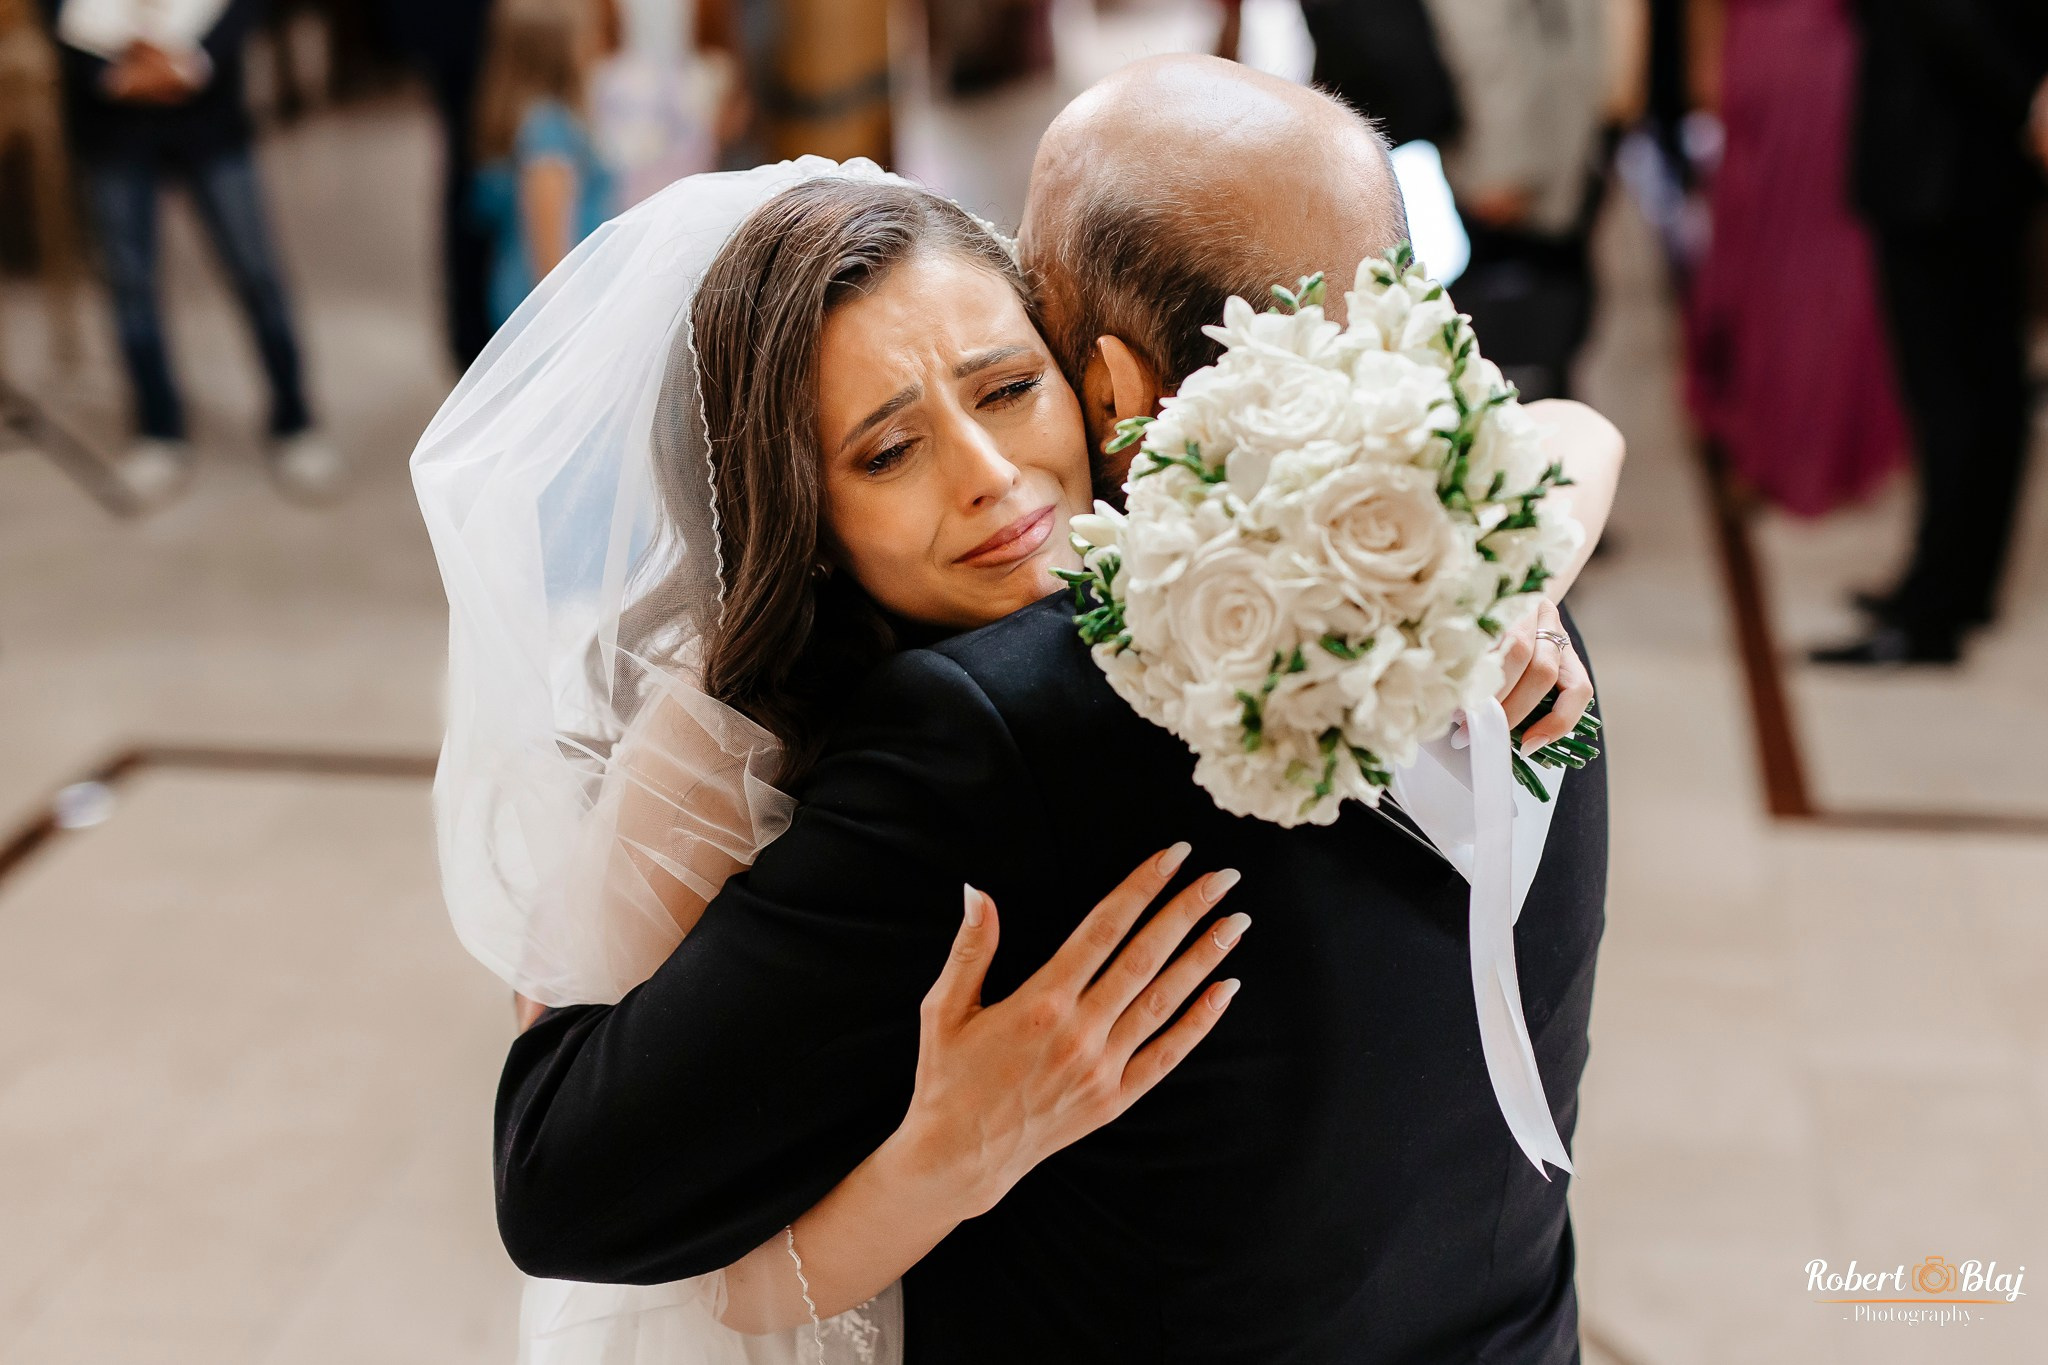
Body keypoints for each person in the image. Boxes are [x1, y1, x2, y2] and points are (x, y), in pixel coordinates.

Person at [422, 61, 1622, 1365]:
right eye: (887, 450)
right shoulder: (1493, 584)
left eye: (1008, 383)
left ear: (1098, 383)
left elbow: (563, 1181)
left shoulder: (981, 738)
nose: (992, 477)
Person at [1816, 0, 2048, 664]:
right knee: (1984, 385)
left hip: (1939, 166)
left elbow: (1949, 17)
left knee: (1954, 396)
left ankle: (1933, 613)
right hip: (1972, 160)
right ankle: (1958, 586)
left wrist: (2031, 97)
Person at [44, 0, 343, 506]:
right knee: (130, 282)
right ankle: (159, 430)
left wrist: (193, 61)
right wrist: (109, 73)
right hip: (112, 121)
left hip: (210, 113)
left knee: (256, 271)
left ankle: (295, 422)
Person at [1684, 0, 1907, 518]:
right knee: (1790, 264)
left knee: (1793, 264)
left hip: (1793, 56)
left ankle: (1801, 441)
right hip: (1794, 56)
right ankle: (1801, 442)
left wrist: (1707, 58)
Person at [471, 0, 617, 333]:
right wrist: (570, 329)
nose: (597, 42)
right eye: (588, 34)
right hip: (555, 307)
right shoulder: (548, 133)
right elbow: (550, 259)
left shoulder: (539, 120)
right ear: (559, 50)